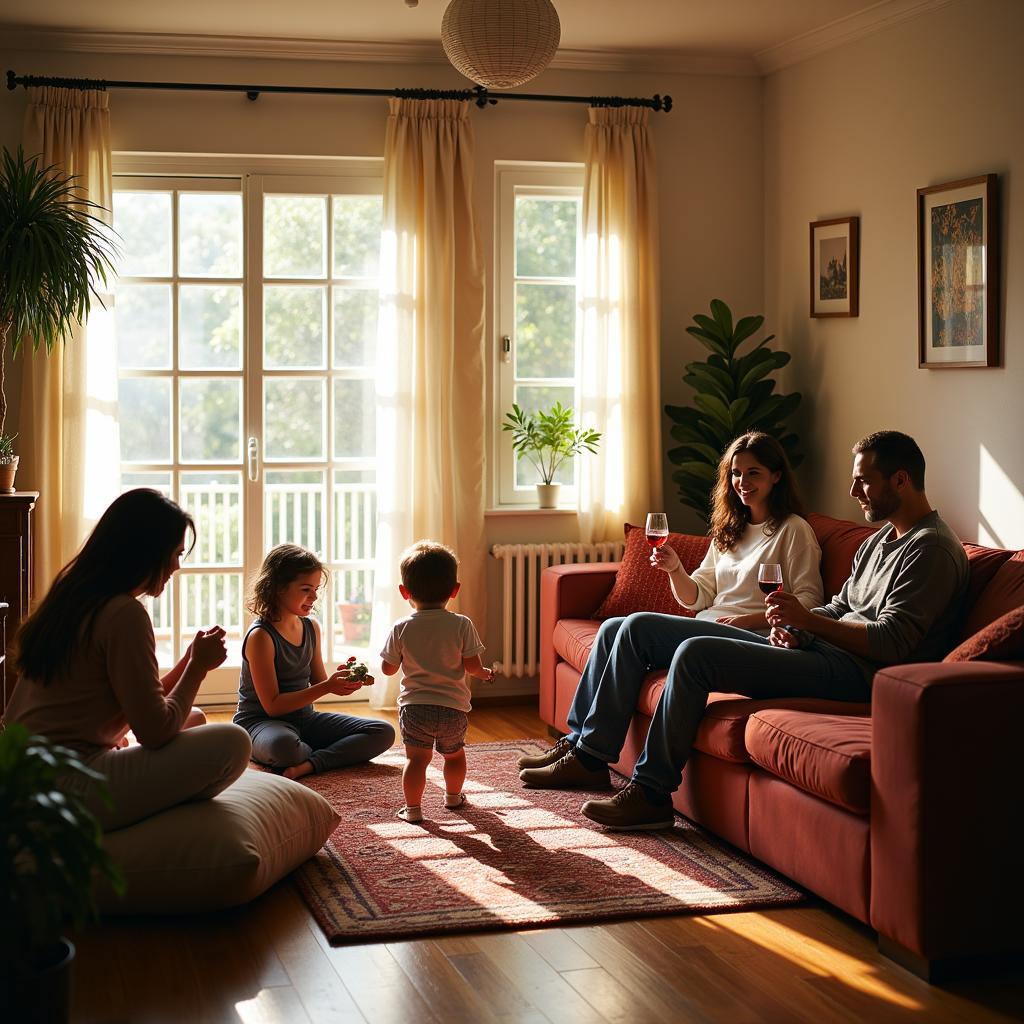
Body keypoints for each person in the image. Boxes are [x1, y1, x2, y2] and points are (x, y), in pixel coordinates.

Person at [522, 430, 969, 831]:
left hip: (857, 675)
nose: (852, 492)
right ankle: (586, 754)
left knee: (697, 653)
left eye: (863, 481)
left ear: (901, 480)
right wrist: (800, 628)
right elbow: (838, 607)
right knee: (635, 627)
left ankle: (652, 794)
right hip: (817, 650)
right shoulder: (880, 540)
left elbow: (893, 642)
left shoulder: (932, 550)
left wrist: (806, 621)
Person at [8, 488, 252, 831]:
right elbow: (154, 731)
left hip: (24, 775)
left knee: (193, 718)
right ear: (147, 552)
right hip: (65, 787)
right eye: (175, 553)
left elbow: (140, 702)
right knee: (234, 742)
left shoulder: (72, 597)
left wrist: (189, 660)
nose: (177, 566)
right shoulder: (125, 614)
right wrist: (197, 669)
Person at [234, 545, 395, 780]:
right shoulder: (261, 636)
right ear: (278, 588)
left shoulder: (311, 627)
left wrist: (343, 680)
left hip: (305, 720)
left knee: (383, 731)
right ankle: (323, 753)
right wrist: (327, 686)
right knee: (284, 747)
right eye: (306, 589)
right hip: (260, 723)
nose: (315, 596)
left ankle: (309, 763)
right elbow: (273, 706)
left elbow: (319, 680)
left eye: (316, 589)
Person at [380, 540, 495, 823]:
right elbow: (472, 666)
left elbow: (388, 670)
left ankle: (414, 810)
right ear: (454, 589)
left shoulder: (401, 627)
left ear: (404, 591)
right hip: (452, 708)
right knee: (454, 756)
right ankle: (453, 798)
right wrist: (486, 674)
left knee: (416, 760)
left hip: (416, 708)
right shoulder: (461, 624)